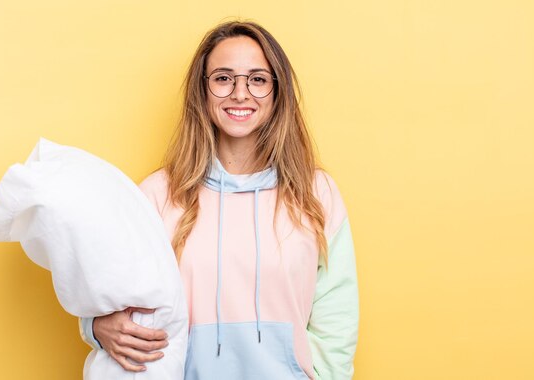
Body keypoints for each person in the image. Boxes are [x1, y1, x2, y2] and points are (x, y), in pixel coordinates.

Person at [80, 20, 359, 380]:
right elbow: (109, 294)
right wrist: (95, 327)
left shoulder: (315, 193)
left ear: (277, 92)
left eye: (257, 79)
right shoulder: (158, 194)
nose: (240, 94)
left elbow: (337, 315)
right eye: (224, 78)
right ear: (203, 90)